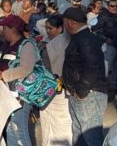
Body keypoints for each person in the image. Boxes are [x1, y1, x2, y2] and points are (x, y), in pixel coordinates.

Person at [62, 7, 108, 146]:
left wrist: (81, 91)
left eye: (64, 23)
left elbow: (91, 66)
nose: (64, 27)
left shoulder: (85, 39)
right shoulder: (80, 38)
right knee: (79, 136)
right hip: (81, 93)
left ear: (71, 22)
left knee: (90, 138)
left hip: (89, 94)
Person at [0, 15, 36, 146]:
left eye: (5, 28)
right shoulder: (5, 44)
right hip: (6, 95)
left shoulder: (27, 45)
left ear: (13, 29)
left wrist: (3, 75)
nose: (2, 30)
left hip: (20, 97)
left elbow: (26, 69)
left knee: (19, 132)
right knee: (10, 130)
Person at [39, 15, 72, 146]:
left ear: (60, 28)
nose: (47, 31)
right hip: (46, 88)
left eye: (50, 28)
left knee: (61, 124)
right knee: (46, 122)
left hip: (60, 90)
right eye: (46, 28)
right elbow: (39, 24)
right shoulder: (47, 41)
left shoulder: (64, 42)